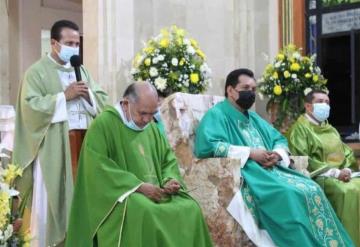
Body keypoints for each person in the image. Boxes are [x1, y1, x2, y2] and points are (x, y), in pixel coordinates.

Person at [194, 68, 354, 247]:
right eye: (246, 88)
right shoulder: (217, 114)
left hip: (273, 169)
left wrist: (277, 154)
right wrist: (250, 153)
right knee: (288, 193)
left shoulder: (253, 118)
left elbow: (278, 138)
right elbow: (209, 145)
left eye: (254, 89)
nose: (251, 93)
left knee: (312, 188)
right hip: (250, 172)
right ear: (230, 90)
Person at [65, 82, 213, 247]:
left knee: (191, 208)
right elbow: (97, 169)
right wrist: (138, 186)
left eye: (152, 114)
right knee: (144, 210)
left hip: (157, 191)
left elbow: (167, 159)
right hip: (121, 196)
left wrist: (169, 179)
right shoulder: (104, 124)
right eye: (142, 113)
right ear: (126, 103)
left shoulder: (151, 128)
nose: (147, 120)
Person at [12, 20, 108, 246]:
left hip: (83, 144)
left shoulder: (81, 70)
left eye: (77, 43)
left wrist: (88, 97)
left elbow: (103, 100)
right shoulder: (36, 72)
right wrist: (64, 96)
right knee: (51, 202)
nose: (74, 48)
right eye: (69, 43)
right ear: (54, 43)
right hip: (54, 148)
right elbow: (29, 107)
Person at [287, 90, 360, 246]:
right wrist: (334, 172)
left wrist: (347, 169)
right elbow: (302, 158)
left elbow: (346, 152)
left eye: (327, 102)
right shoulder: (299, 129)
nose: (325, 105)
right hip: (318, 176)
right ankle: (345, 242)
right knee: (347, 191)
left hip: (342, 174)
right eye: (320, 101)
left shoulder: (330, 129)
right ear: (308, 106)